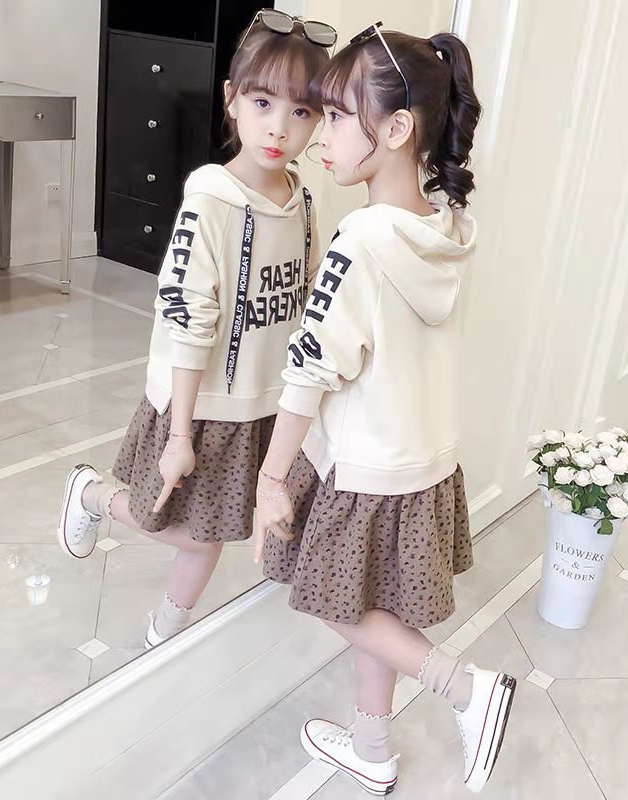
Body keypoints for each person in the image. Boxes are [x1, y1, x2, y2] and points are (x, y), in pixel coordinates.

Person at [254, 23, 515, 795]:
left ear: (397, 129)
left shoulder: (360, 239)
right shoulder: (445, 225)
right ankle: (371, 748)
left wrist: (271, 476)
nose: (321, 135)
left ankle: (466, 690)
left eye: (338, 116)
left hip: (365, 468)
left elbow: (311, 365)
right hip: (424, 462)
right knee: (378, 605)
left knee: (329, 595)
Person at [56, 10, 335, 649]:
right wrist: (180, 433)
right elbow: (187, 316)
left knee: (215, 533)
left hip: (261, 404)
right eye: (262, 103)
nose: (279, 127)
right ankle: (94, 497)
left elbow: (304, 303)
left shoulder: (303, 199)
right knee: (187, 527)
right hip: (203, 406)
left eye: (301, 112)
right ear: (231, 98)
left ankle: (165, 631)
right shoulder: (211, 196)